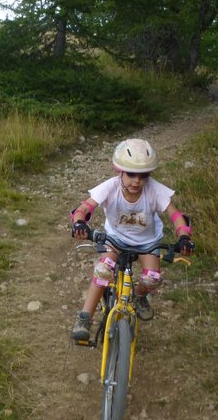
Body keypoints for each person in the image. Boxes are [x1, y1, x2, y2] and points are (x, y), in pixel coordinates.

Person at [70, 138, 195, 342]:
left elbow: (176, 215)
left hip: (147, 243)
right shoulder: (111, 187)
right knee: (103, 270)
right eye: (131, 174)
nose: (137, 181)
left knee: (153, 278)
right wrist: (79, 223)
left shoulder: (154, 190)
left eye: (143, 175)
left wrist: (184, 237)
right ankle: (84, 317)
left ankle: (139, 295)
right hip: (115, 239)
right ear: (119, 171)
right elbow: (84, 208)